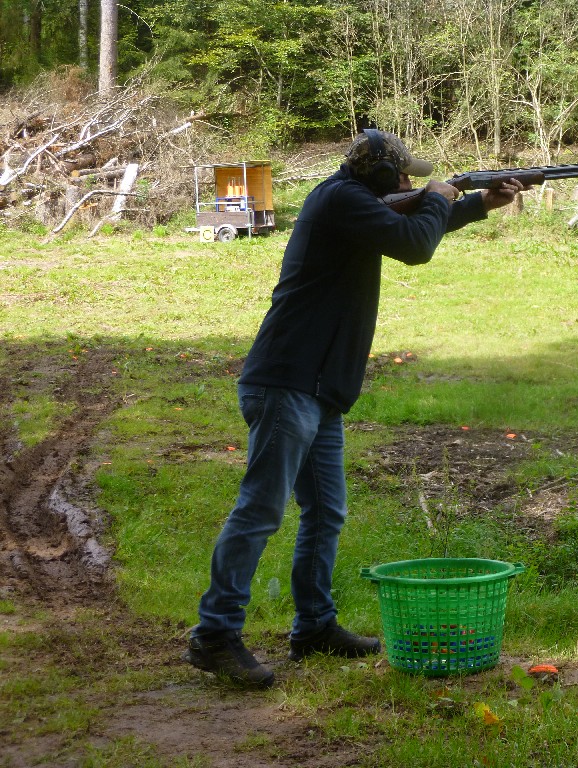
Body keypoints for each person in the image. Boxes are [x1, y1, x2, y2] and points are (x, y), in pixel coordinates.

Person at [184, 129, 525, 688]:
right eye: (404, 174)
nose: (410, 181)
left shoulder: (353, 201)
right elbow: (415, 245)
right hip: (287, 381)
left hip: (318, 388)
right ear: (382, 175)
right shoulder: (341, 199)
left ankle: (314, 627)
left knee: (326, 513)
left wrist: (477, 203)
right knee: (260, 510)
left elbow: (407, 227)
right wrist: (441, 197)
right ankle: (215, 634)